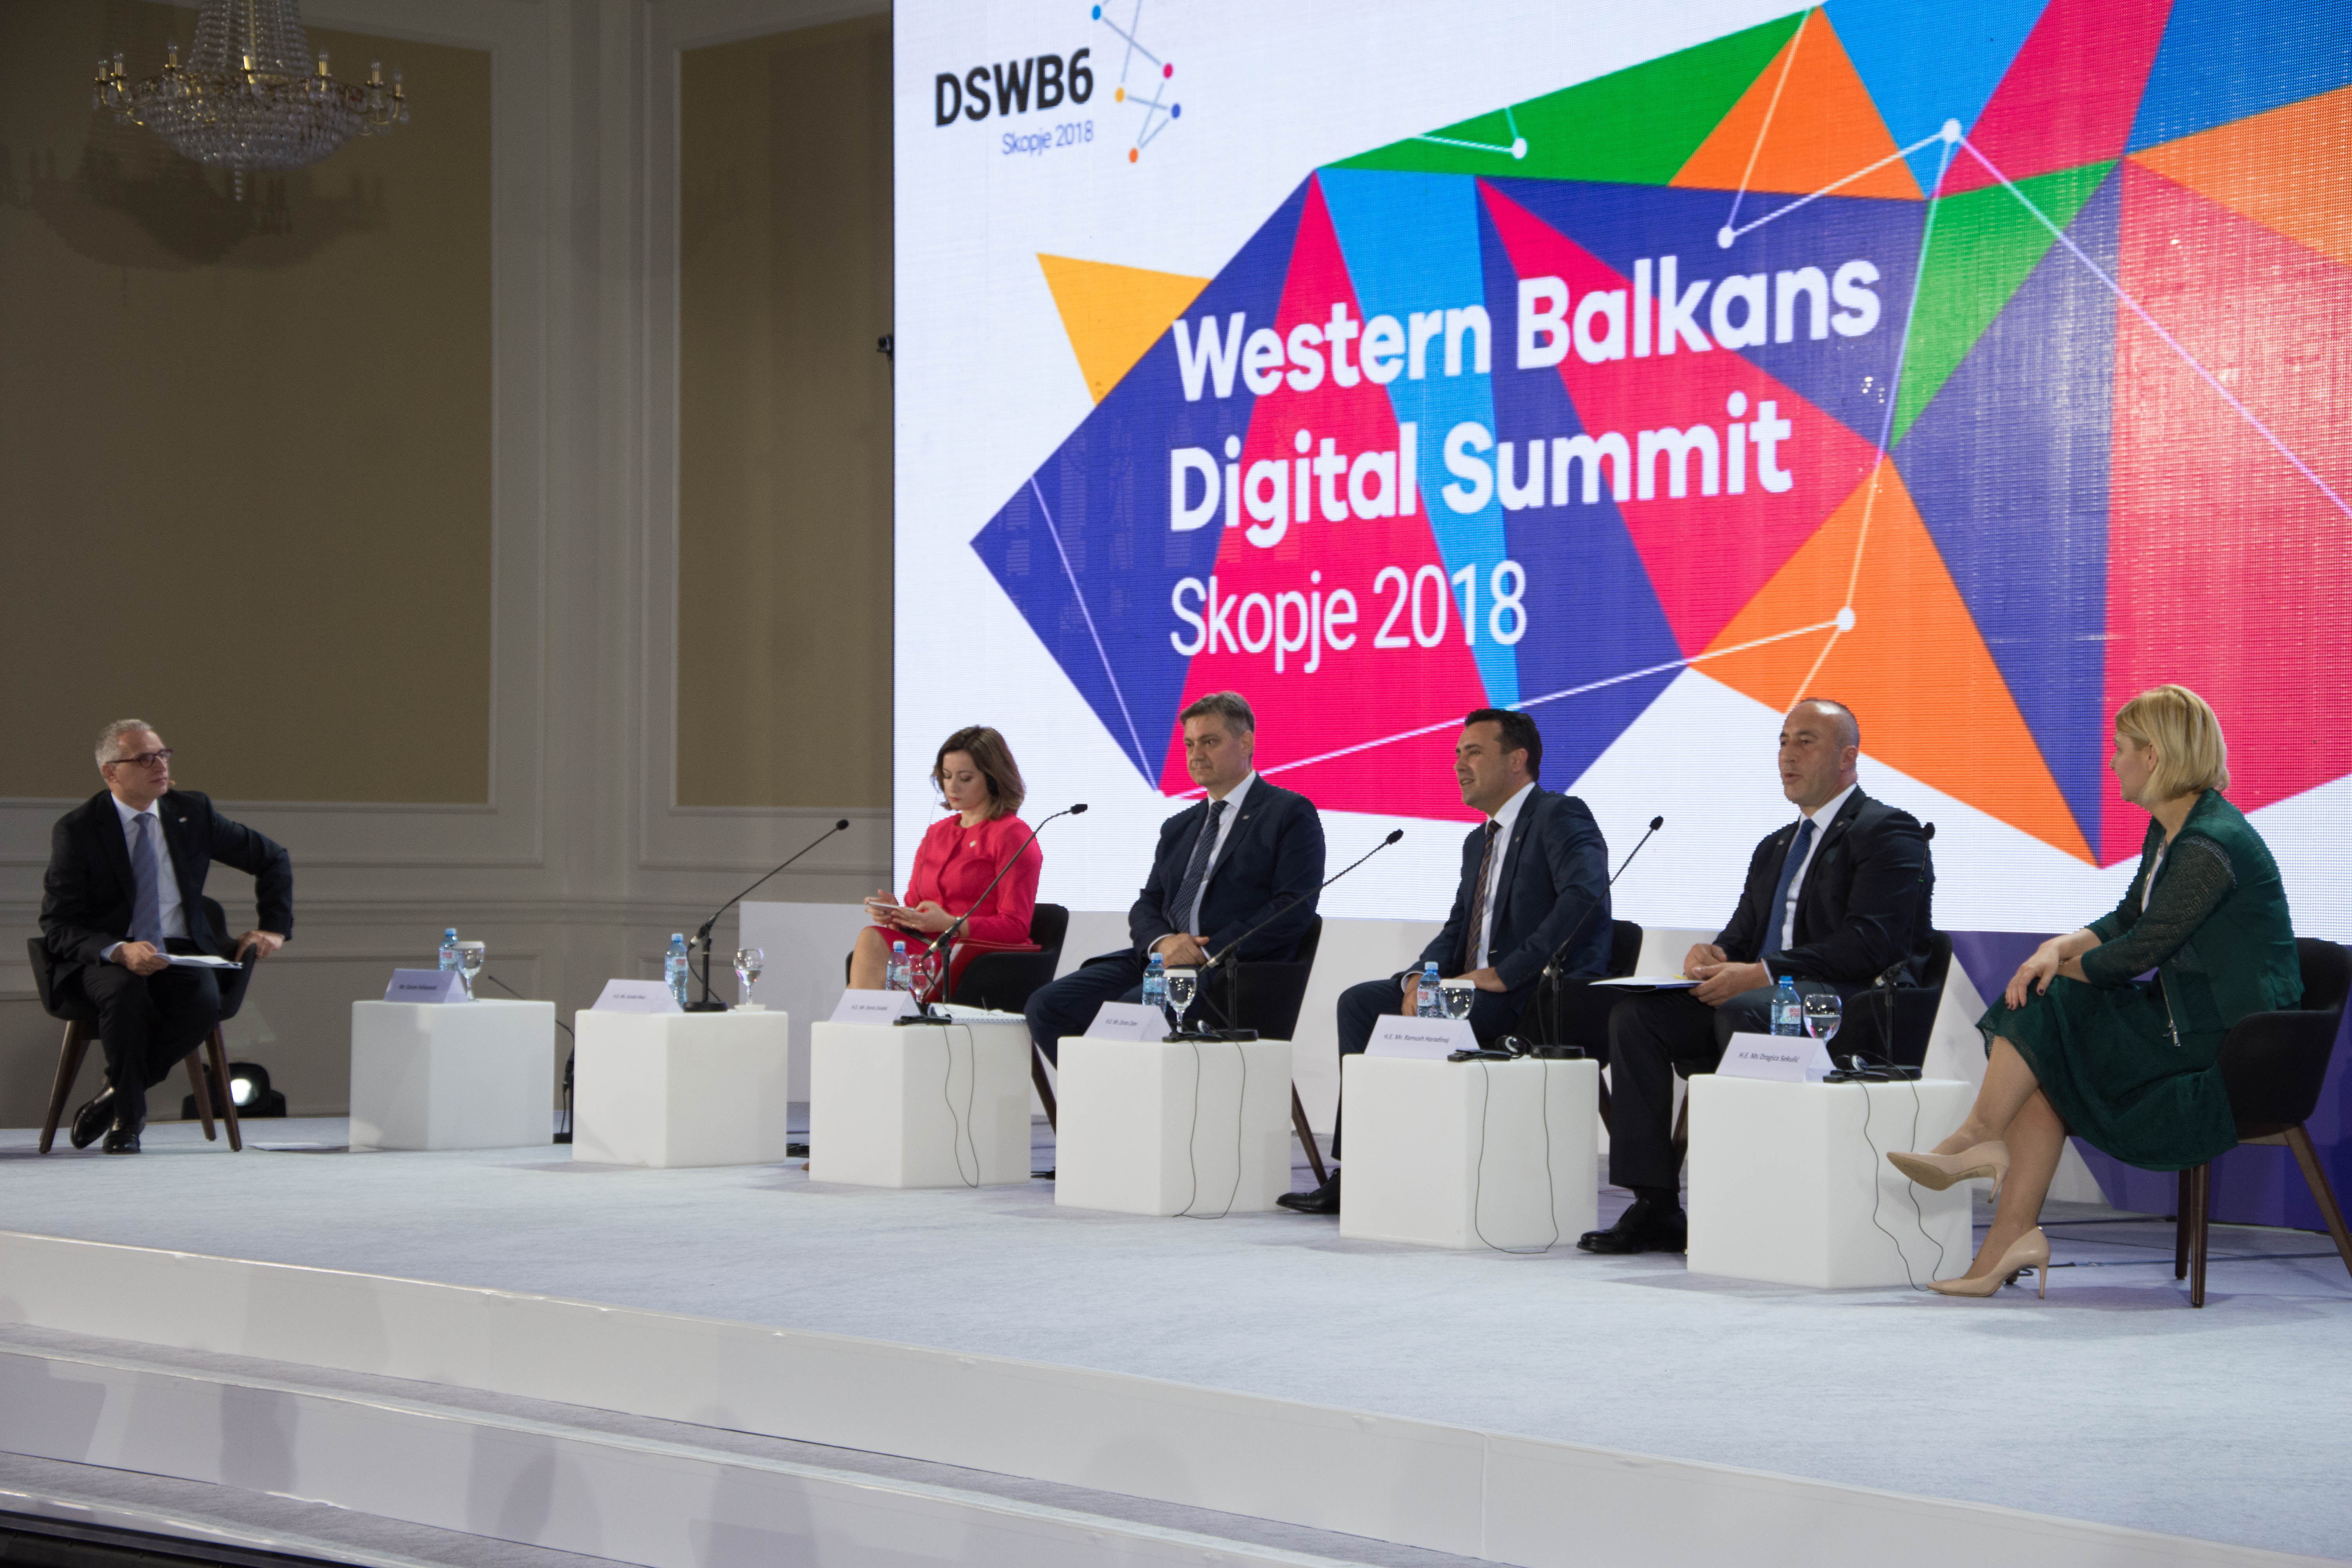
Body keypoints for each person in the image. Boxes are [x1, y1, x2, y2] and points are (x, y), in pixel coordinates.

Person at [1889, 686, 2299, 1298]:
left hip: (2233, 1043)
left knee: (2047, 1009)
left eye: (2120, 749)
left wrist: (2055, 973)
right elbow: (2126, 918)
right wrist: (2057, 948)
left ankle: (1977, 1142)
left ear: (2155, 757)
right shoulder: (2171, 832)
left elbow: (2139, 951)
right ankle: (2006, 1236)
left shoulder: (2211, 843)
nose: (2112, 763)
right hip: (2184, 1017)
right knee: (2045, 1050)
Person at [1580, 699, 1933, 1254]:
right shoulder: (1774, 847)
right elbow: (1740, 940)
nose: (1787, 755)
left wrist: (1765, 973)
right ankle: (1655, 1202)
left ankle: (1746, 1197)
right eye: (1783, 740)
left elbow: (1871, 945)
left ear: (1848, 757)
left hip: (1842, 1003)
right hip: (1763, 997)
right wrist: (1713, 954)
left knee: (1750, 1010)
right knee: (1636, 1019)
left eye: (1805, 742)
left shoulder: (1887, 832)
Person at [1278, 709, 1612, 1216]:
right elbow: (1458, 931)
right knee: (1363, 1004)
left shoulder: (1560, 815)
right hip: (1468, 992)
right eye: (1457, 753)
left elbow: (1583, 898)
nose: (1459, 764)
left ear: (1518, 760)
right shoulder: (1478, 840)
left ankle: (1438, 1175)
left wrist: (1507, 972)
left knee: (1444, 1014)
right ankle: (1361, 1168)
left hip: (1532, 997)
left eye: (1474, 752)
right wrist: (1419, 979)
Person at [1023, 692, 1324, 1061]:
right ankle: (1101, 1113)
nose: (1196, 754)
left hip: (1229, 970)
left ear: (1246, 742)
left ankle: (1135, 1112)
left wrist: (1204, 951)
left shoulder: (1288, 813)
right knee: (1047, 1006)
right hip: (1161, 961)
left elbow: (1293, 907)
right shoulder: (1179, 826)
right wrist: (1164, 943)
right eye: (1189, 744)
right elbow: (1148, 903)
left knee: (1132, 1017)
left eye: (1210, 742)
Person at [40, 720, 294, 1154]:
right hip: (108, 954)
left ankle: (116, 1096)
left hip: (180, 948)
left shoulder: (190, 812)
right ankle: (127, 1122)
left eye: (163, 754)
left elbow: (272, 857)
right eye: (144, 758)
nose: (160, 765)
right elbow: (59, 924)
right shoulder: (79, 829)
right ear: (111, 773)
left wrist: (274, 926)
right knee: (125, 995)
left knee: (202, 1000)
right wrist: (120, 950)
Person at [849, 725, 1042, 1000]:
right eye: (946, 776)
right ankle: (870, 1030)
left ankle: (865, 1032)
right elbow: (920, 912)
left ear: (992, 779)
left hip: (976, 956)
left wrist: (953, 923)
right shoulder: (936, 833)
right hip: (927, 948)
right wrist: (899, 916)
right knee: (872, 938)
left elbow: (1015, 926)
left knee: (871, 971)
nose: (951, 787)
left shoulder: (1012, 835)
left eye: (965, 778)